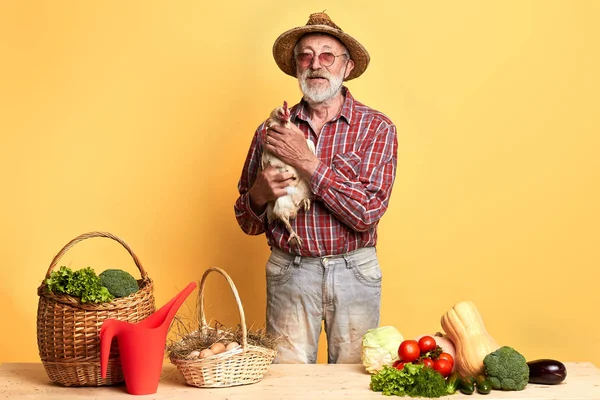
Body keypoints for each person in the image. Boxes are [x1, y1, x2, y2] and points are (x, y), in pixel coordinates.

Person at [234, 12, 398, 364]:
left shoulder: (376, 129)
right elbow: (246, 222)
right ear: (296, 67)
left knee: (355, 380)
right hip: (290, 271)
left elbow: (366, 214)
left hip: (354, 270)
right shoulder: (270, 131)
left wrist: (306, 162)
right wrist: (259, 194)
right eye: (305, 56)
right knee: (288, 385)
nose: (316, 65)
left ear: (347, 67)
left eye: (327, 55)